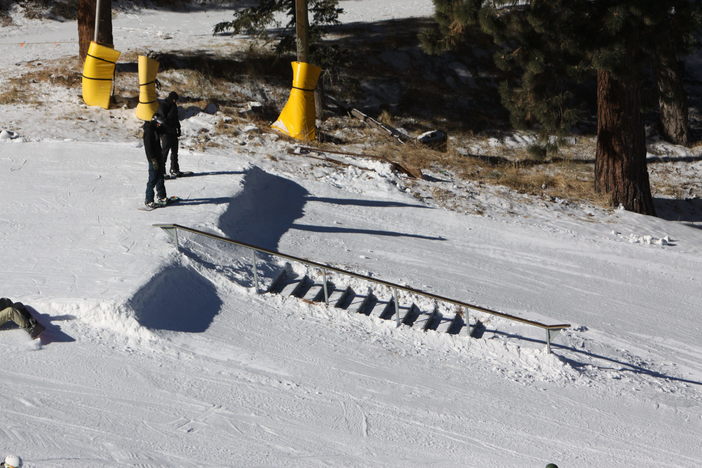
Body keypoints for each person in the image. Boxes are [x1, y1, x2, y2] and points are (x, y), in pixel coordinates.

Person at [143, 114, 168, 209]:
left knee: (160, 176)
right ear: (154, 122)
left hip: (159, 156)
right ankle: (148, 200)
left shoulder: (155, 128)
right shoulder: (149, 131)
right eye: (158, 124)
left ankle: (161, 196)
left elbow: (163, 131)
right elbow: (148, 148)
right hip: (153, 159)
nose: (159, 125)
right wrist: (153, 160)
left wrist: (163, 126)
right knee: (153, 178)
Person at [156, 90, 183, 177]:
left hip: (173, 132)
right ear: (171, 98)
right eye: (174, 99)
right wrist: (168, 127)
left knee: (175, 152)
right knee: (165, 152)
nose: (175, 101)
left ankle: (174, 169)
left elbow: (176, 118)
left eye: (176, 100)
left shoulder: (173, 105)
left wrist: (178, 128)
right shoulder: (164, 105)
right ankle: (161, 171)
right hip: (166, 133)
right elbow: (161, 119)